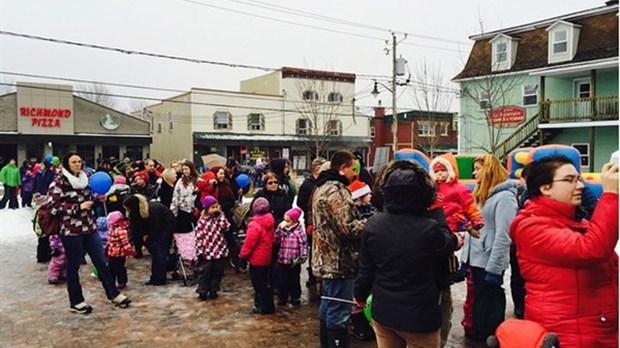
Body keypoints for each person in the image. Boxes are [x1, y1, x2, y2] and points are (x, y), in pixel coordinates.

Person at [509, 156, 618, 347]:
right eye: (569, 180)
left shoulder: (577, 223)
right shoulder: (531, 227)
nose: (580, 186)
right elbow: (592, 249)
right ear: (545, 188)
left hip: (595, 330)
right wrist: (610, 195)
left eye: (578, 179)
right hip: (567, 334)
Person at [354, 160, 462, 348]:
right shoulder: (429, 229)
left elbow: (366, 270)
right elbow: (448, 242)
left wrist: (360, 296)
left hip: (384, 313)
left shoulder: (373, 225)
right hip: (419, 318)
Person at [47, 152, 131, 314]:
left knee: (101, 262)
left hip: (90, 227)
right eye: (73, 162)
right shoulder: (59, 182)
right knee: (74, 265)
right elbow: (53, 207)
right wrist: (77, 207)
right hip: (71, 230)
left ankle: (114, 294)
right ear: (66, 164)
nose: (77, 164)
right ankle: (76, 301)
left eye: (79, 161)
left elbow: (90, 198)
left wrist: (97, 199)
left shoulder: (86, 180)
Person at [311, 150, 367, 348]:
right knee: (339, 311)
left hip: (326, 259)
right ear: (342, 168)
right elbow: (348, 228)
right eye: (353, 169)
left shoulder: (321, 187)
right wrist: (369, 222)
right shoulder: (337, 190)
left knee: (328, 306)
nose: (354, 173)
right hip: (339, 262)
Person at [429, 153, 485, 346]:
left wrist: (474, 220)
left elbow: (469, 205)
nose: (440, 175)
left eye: (443, 170)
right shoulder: (430, 191)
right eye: (437, 171)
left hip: (455, 225)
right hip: (441, 229)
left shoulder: (458, 189)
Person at [461, 154, 518, 341]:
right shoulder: (480, 194)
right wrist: (465, 258)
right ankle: (478, 333)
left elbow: (504, 235)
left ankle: (489, 336)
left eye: (478, 168)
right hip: (475, 259)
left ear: (489, 170)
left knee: (489, 302)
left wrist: (494, 268)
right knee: (477, 300)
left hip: (488, 261)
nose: (474, 172)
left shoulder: (504, 198)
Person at [123, 194, 175, 286]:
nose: (127, 211)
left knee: (159, 249)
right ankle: (156, 276)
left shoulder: (151, 210)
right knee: (154, 250)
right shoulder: (135, 213)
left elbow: (155, 229)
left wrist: (147, 242)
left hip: (166, 225)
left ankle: (159, 278)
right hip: (155, 227)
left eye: (128, 209)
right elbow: (136, 230)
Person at [239, 197, 275, 315]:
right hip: (266, 257)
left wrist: (243, 256)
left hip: (256, 259)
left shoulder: (254, 225)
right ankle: (267, 304)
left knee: (258, 284)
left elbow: (249, 244)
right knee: (265, 282)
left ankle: (263, 306)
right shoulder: (270, 221)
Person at [296, 157, 326, 295]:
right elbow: (300, 202)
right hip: (311, 222)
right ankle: (312, 274)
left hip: (322, 223)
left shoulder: (323, 183)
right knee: (313, 248)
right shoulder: (307, 184)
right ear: (316, 169)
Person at [194, 195, 231, 301]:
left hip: (219, 249)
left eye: (216, 207)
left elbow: (226, 227)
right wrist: (200, 250)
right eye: (212, 207)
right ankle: (203, 290)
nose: (215, 209)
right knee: (205, 272)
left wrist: (221, 215)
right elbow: (198, 236)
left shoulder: (219, 218)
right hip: (207, 251)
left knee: (218, 271)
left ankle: (214, 289)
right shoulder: (202, 221)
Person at [274, 207, 308, 307]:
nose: (286, 223)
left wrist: (303, 256)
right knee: (282, 280)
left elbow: (303, 244)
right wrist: (278, 230)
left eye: (288, 221)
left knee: (294, 280)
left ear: (294, 221)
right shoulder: (283, 230)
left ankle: (295, 297)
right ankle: (282, 297)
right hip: (283, 259)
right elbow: (276, 239)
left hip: (294, 261)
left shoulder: (299, 232)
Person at [170, 161, 199, 266]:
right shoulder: (180, 182)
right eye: (184, 169)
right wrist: (173, 212)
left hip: (194, 211)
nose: (185, 171)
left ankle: (195, 255)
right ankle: (185, 256)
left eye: (187, 169)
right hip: (183, 211)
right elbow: (175, 197)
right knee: (183, 235)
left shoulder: (197, 180)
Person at [105, 211, 136, 290]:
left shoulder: (121, 230)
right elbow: (109, 240)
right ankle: (111, 281)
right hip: (112, 252)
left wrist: (129, 251)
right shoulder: (111, 228)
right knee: (111, 267)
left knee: (119, 268)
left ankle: (122, 281)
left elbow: (125, 242)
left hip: (119, 254)